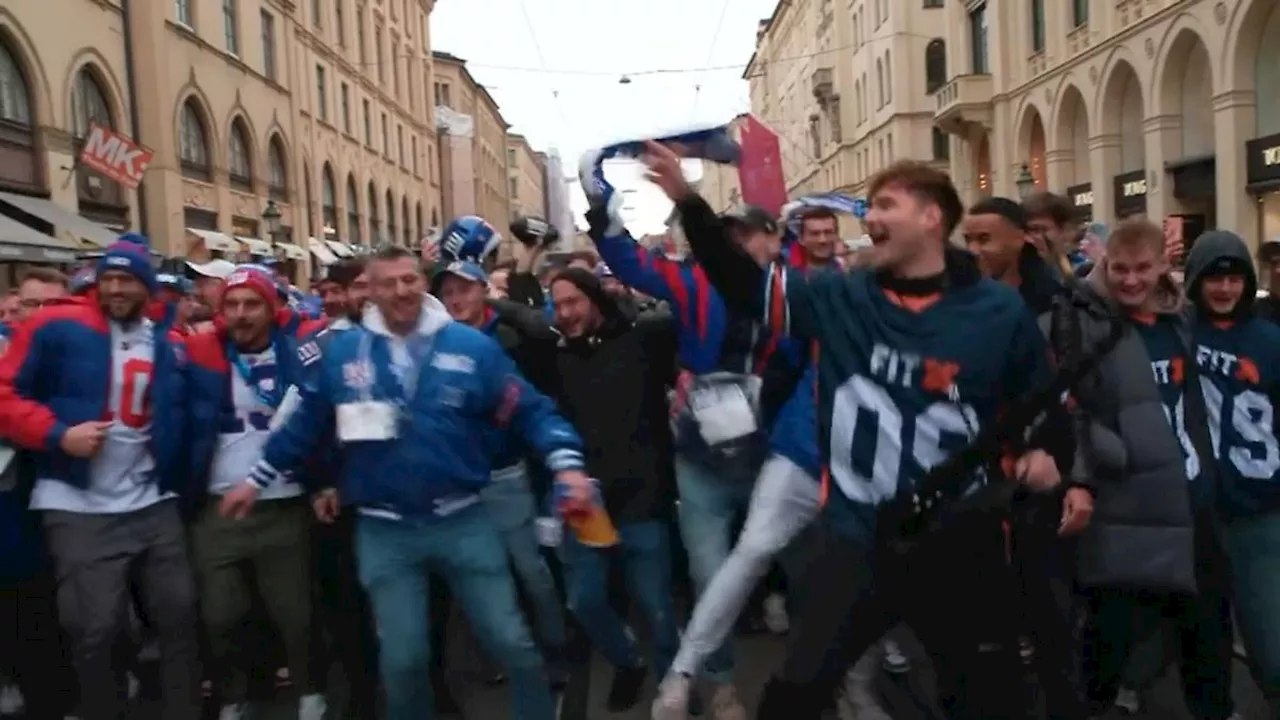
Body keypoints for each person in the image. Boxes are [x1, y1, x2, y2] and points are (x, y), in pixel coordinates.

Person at [635, 145, 1065, 719]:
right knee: (794, 694)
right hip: (857, 538)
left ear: (932, 216)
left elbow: (1041, 407)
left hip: (961, 542)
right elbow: (744, 285)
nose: (870, 218)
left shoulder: (999, 313)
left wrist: (1044, 454)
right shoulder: (840, 297)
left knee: (985, 697)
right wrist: (689, 202)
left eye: (886, 204)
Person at [231, 245, 586, 720]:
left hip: (463, 520)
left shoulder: (469, 347)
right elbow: (305, 425)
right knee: (402, 662)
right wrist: (256, 479)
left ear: (422, 283)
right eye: (389, 282)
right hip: (386, 532)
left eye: (411, 280)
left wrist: (567, 464)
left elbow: (530, 409)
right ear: (370, 291)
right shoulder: (343, 355)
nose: (402, 291)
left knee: (513, 643)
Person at [0, 236, 201, 720]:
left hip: (153, 501)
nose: (115, 288)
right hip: (79, 503)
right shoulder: (55, 326)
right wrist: (57, 434)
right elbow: (4, 394)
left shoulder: (167, 340)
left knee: (178, 617)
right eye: (107, 278)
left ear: (147, 287)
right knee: (96, 629)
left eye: (127, 279)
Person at [1049, 219, 1229, 719]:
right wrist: (1088, 471)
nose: (1130, 281)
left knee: (1207, 632)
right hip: (1125, 503)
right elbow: (1073, 405)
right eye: (1119, 269)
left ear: (1163, 267)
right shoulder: (1088, 321)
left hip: (1190, 498)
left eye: (1142, 269)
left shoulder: (1182, 320)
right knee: (1109, 634)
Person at [184, 265, 328, 720]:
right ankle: (232, 694)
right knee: (219, 615)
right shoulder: (201, 353)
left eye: (252, 304)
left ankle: (310, 689)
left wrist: (323, 479)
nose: (241, 314)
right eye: (232, 304)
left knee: (295, 613)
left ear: (272, 308)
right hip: (219, 504)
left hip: (283, 502)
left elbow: (320, 423)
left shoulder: (299, 353)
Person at [545, 265, 682, 712]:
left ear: (594, 299)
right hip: (587, 500)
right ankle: (627, 661)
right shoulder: (557, 357)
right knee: (584, 599)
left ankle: (672, 691)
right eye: (557, 304)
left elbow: (689, 317)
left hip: (644, 496)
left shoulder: (643, 339)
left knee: (657, 607)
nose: (565, 313)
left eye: (573, 301)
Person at [431, 259, 569, 675]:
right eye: (447, 292)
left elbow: (538, 396)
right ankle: (501, 652)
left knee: (532, 570)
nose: (456, 299)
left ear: (482, 290)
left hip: (508, 472)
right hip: (459, 481)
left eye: (464, 289)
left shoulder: (512, 337)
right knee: (481, 573)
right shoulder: (436, 342)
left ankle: (557, 646)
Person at [1183, 231, 1280, 714]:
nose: (1224, 288)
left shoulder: (1269, 340)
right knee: (1200, 633)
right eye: (1214, 277)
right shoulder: (1179, 332)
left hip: (1258, 507)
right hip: (1195, 509)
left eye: (1234, 277)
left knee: (1269, 638)